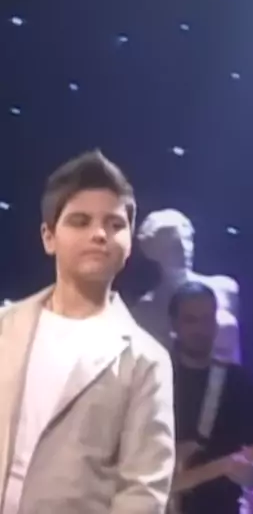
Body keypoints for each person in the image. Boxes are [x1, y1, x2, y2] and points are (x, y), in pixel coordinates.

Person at [0, 150, 175, 514]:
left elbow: (142, 491)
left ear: (129, 242)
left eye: (114, 224)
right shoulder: (6, 326)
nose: (99, 234)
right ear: (49, 237)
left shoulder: (146, 361)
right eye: (80, 221)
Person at [168, 281, 253, 514]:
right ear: (174, 324)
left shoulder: (239, 385)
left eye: (207, 319)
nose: (200, 329)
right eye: (191, 320)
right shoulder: (153, 374)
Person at [134, 209, 241, 363]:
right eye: (174, 244)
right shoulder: (145, 310)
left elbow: (236, 353)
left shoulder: (225, 289)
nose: (184, 249)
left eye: (188, 240)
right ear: (152, 251)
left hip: (227, 376)